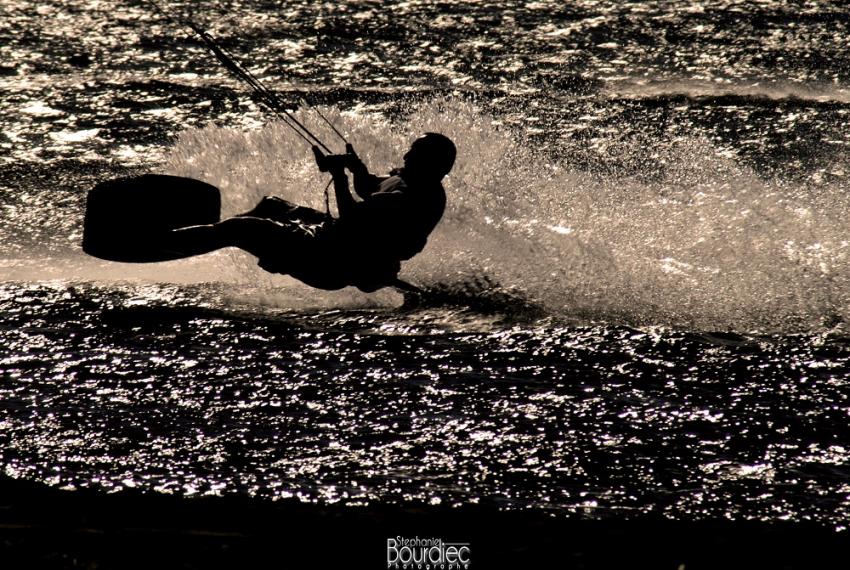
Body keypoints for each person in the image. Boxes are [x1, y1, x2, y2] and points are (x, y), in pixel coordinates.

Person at [167, 132, 456, 292]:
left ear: (432, 164)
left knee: (238, 229)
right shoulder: (408, 179)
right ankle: (209, 237)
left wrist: (339, 176)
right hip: (334, 242)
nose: (405, 156)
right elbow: (369, 187)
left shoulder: (412, 197)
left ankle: (166, 240)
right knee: (272, 205)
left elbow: (354, 216)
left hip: (328, 261)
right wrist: (356, 168)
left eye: (414, 153)